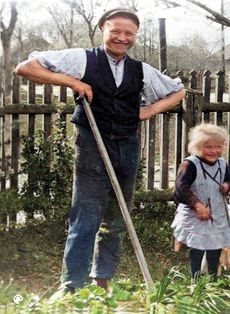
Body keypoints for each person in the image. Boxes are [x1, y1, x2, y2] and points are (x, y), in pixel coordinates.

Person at [14, 8, 185, 294]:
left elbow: (178, 91)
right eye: (115, 31)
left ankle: (102, 279)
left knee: (118, 216)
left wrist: (151, 109)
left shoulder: (140, 69)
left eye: (128, 33)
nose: (121, 37)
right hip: (92, 141)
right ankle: (72, 287)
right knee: (86, 216)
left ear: (135, 36)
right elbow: (25, 67)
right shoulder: (82, 58)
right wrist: (72, 81)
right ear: (103, 29)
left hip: (127, 144)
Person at [171, 124, 230, 277]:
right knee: (198, 246)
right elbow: (179, 189)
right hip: (196, 213)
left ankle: (213, 277)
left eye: (218, 147)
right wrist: (197, 205)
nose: (214, 151)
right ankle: (195, 279)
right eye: (208, 147)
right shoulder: (190, 165)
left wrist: (227, 185)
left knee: (215, 244)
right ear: (197, 146)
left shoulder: (222, 164)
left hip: (217, 211)